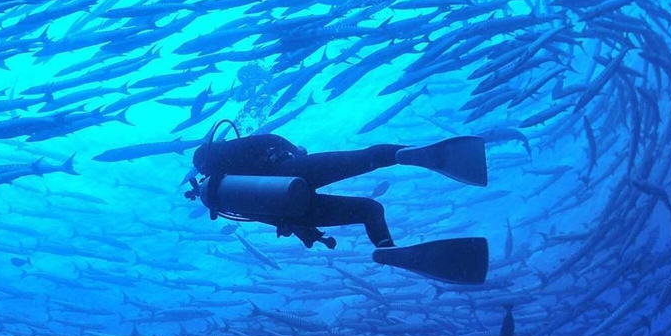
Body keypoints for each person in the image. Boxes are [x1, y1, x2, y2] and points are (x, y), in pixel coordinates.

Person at [184, 121, 491, 284]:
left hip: (292, 208)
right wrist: (297, 151)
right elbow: (269, 141)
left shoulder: (226, 197)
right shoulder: (232, 150)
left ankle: (386, 248)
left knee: (369, 209)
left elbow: (267, 215)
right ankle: (408, 155)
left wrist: (308, 230)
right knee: (367, 159)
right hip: (290, 172)